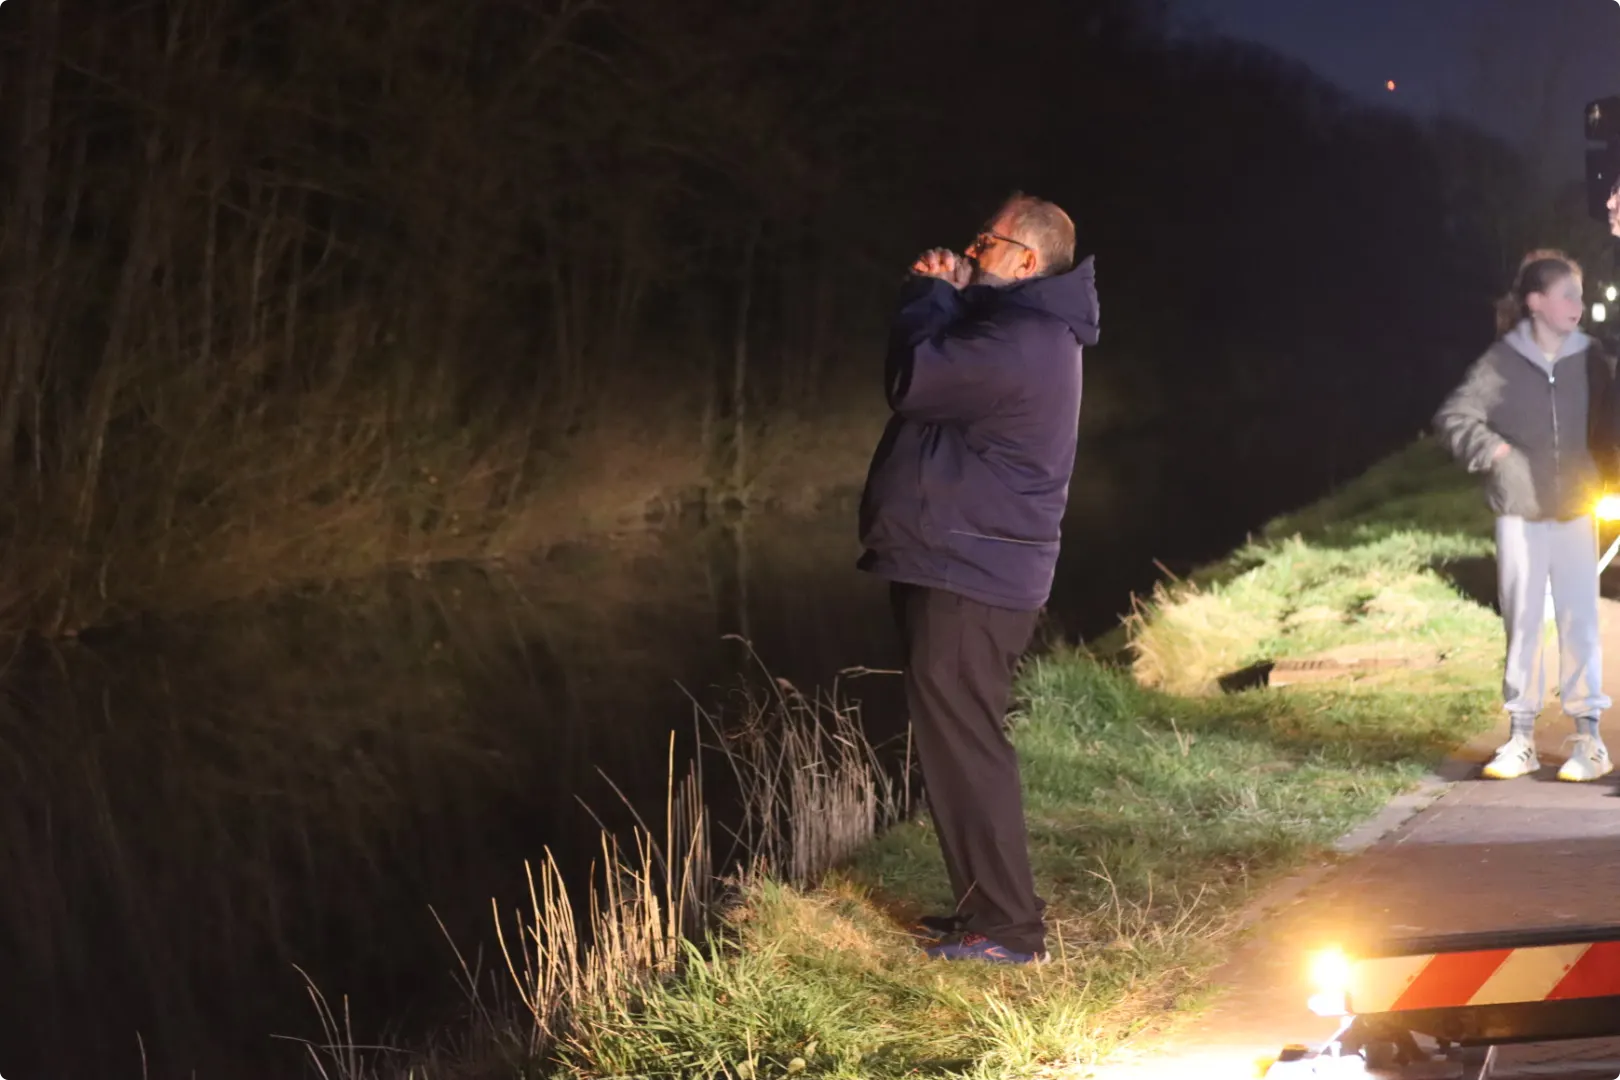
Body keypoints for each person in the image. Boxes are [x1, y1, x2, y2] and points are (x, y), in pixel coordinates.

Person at [856, 192, 1098, 964]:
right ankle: (983, 913)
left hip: (972, 570)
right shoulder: (1019, 326)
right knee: (956, 742)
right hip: (965, 560)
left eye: (983, 242)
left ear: (1025, 260)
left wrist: (928, 292)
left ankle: (1009, 929)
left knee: (968, 748)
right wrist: (954, 296)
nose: (969, 250)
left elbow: (918, 380)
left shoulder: (1023, 336)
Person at [1435, 250, 1616, 781]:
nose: (1577, 306)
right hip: (1519, 513)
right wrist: (1492, 452)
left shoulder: (1593, 360)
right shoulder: (1502, 363)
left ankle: (1589, 740)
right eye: (1568, 295)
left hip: (1576, 509)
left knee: (1580, 624)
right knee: (1523, 625)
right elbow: (1455, 415)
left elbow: (1611, 423)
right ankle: (1521, 740)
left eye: (1580, 295)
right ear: (1536, 302)